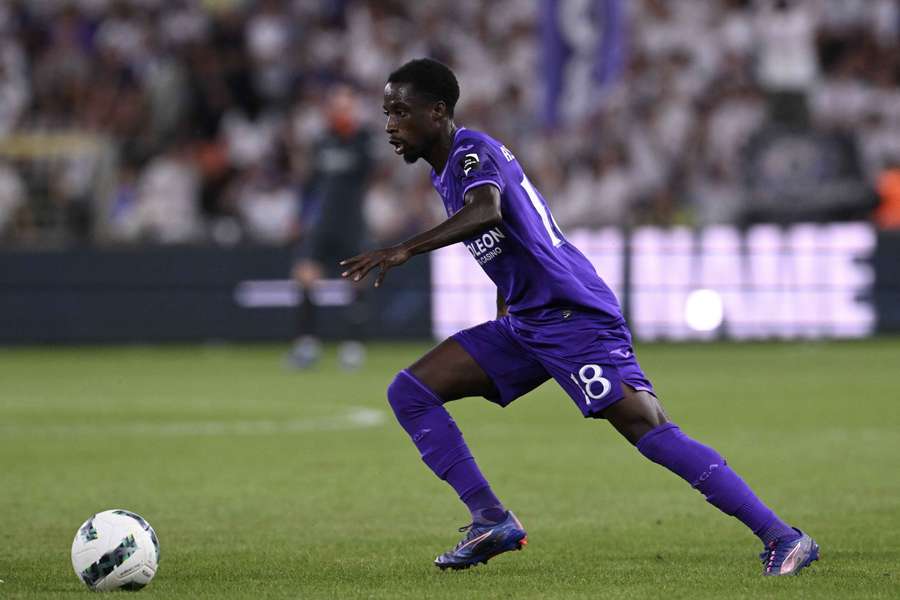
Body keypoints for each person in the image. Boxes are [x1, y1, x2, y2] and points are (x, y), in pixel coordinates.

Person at [340, 58, 819, 575]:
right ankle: (490, 519)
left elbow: (487, 213)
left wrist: (403, 250)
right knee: (410, 391)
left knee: (646, 427)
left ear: (436, 112)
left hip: (572, 316)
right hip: (527, 322)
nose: (389, 124)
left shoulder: (471, 151)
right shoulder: (446, 171)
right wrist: (505, 309)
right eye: (386, 112)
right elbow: (509, 242)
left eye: (399, 111)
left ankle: (782, 536)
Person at [288, 84, 372, 369]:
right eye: (336, 107)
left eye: (345, 107)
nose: (340, 112)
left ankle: (352, 345)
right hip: (322, 221)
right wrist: (300, 216)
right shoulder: (321, 142)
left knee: (356, 282)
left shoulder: (363, 140)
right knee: (305, 276)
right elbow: (311, 183)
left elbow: (366, 172)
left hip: (350, 221)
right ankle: (307, 344)